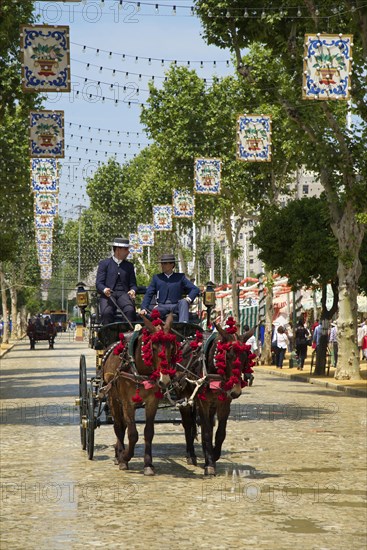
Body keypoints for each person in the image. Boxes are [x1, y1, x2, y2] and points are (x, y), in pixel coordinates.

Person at [140, 253, 200, 323]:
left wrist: (188, 299)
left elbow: (195, 289)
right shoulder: (157, 278)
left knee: (183, 302)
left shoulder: (180, 277)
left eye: (165, 263)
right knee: (152, 313)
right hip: (161, 306)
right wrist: (144, 308)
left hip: (176, 305)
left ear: (172, 265)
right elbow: (149, 293)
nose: (162, 265)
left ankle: (183, 325)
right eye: (162, 263)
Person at [96, 236, 137, 325]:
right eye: (126, 249)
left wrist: (133, 290)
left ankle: (127, 336)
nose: (128, 252)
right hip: (108, 295)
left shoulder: (129, 266)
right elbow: (99, 283)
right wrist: (104, 289)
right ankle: (109, 337)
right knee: (106, 312)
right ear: (118, 250)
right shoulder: (104, 264)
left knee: (129, 310)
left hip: (124, 294)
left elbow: (133, 284)